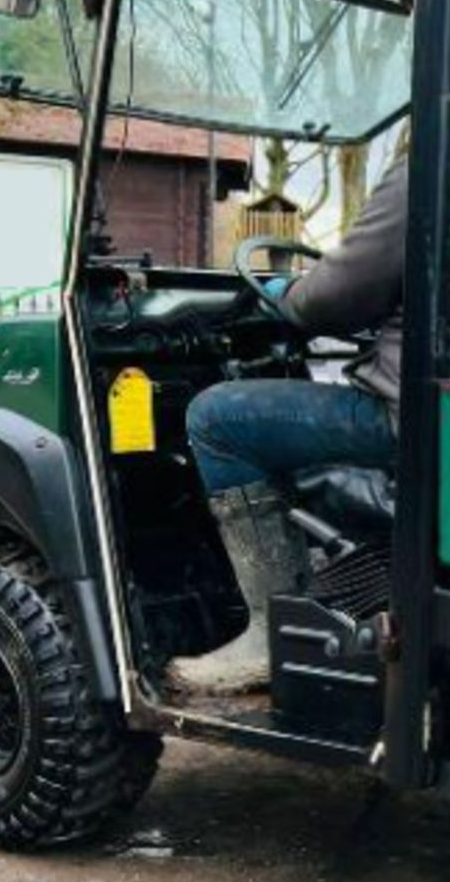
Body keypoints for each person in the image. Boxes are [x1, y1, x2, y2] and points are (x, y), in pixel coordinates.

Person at [168, 149, 408, 693]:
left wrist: (288, 294)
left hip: (405, 415)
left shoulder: (442, 166)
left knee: (216, 417)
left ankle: (270, 634)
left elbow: (338, 294)